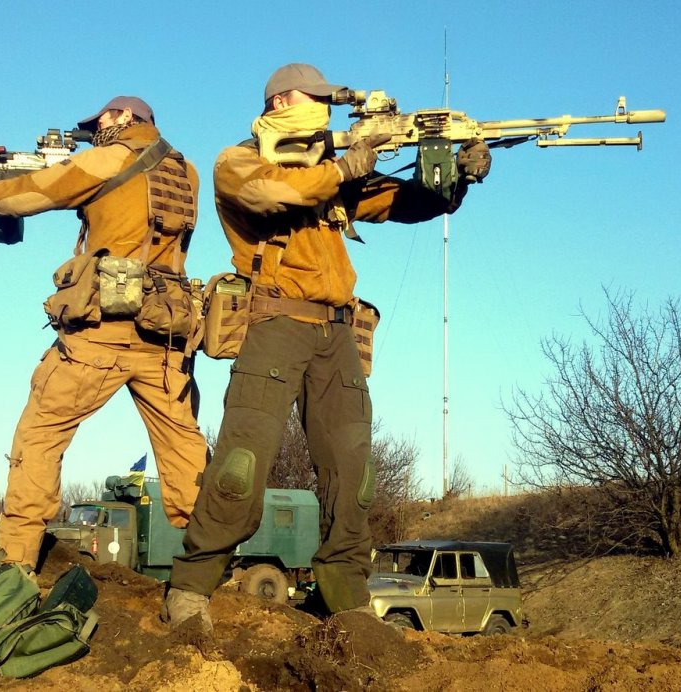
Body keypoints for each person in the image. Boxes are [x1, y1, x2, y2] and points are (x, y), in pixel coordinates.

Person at [163, 64, 491, 630]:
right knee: (241, 466)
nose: (324, 111)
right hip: (275, 322)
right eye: (313, 100)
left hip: (336, 332)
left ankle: (344, 597)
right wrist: (343, 166)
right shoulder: (238, 160)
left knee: (353, 474)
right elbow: (272, 194)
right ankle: (191, 587)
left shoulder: (333, 169)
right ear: (280, 102)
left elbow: (400, 201)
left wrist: (452, 179)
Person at [0, 96, 208, 575]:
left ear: (126, 117)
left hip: (101, 333)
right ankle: (206, 568)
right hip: (166, 334)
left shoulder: (109, 158)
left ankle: (16, 561)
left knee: (41, 435)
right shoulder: (186, 171)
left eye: (103, 118)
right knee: (186, 452)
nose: (96, 127)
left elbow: (35, 192)